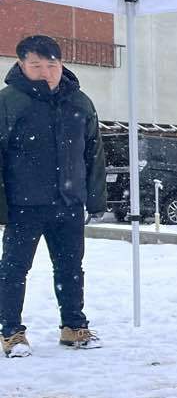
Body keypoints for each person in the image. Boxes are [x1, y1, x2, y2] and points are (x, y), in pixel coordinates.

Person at [1, 35, 107, 358]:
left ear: (61, 65)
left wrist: (96, 199)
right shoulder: (9, 102)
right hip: (24, 206)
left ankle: (73, 327)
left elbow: (94, 152)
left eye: (52, 65)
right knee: (14, 269)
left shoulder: (79, 102)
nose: (46, 72)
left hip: (68, 203)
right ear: (21, 65)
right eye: (37, 65)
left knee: (71, 268)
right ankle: (11, 333)